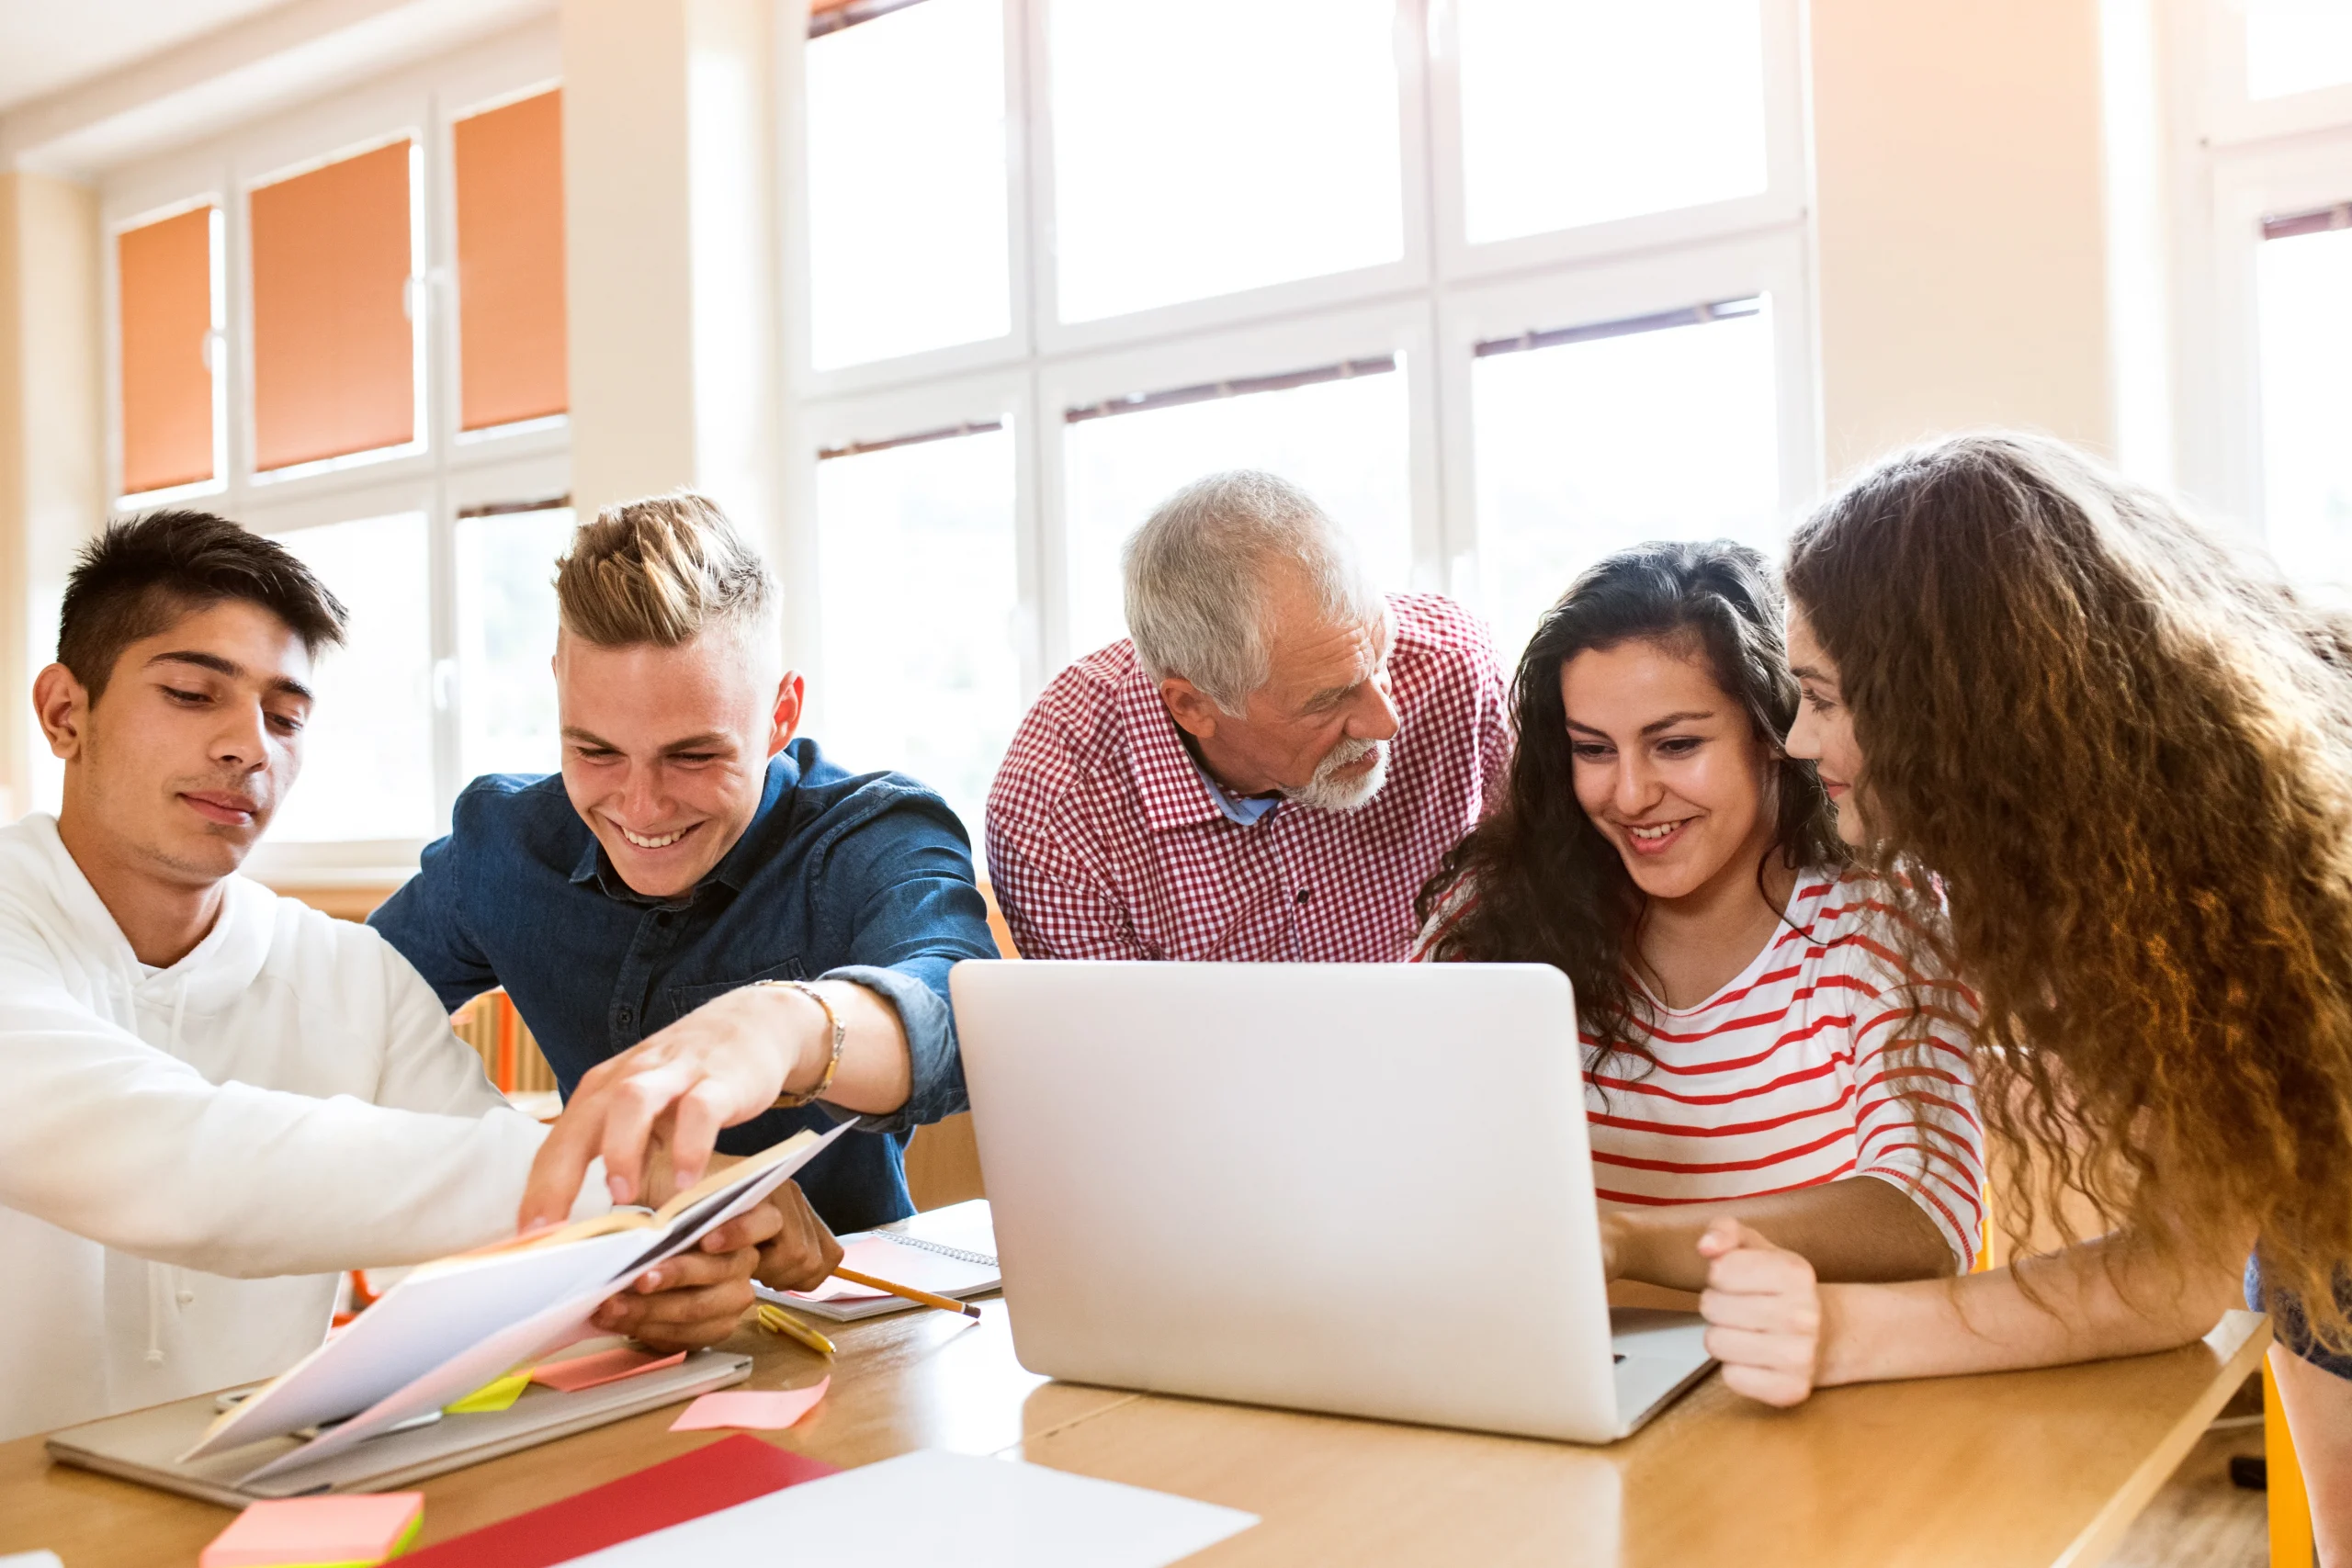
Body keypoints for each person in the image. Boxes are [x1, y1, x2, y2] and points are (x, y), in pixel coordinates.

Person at [1682, 434, 2352, 1560]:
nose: (1798, 739)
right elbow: (2184, 1269)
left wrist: (1843, 1326)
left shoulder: (2227, 890)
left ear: (1954, 706)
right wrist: (1835, 1326)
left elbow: (2174, 1280)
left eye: (1824, 698)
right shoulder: (2131, 879)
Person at [0, 513, 804, 1443]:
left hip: (250, 1500)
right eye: (191, 693)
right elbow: (181, 1164)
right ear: (65, 712)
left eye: (286, 715)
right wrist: (644, 1185)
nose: (248, 746)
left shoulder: (351, 976)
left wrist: (653, 1273)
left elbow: (531, 1245)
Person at [372, 492, 998, 1236]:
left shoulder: (871, 836)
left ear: (780, 714)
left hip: (851, 1315)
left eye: (694, 756)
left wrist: (785, 1027)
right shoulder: (502, 847)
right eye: (595, 750)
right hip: (592, 1312)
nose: (641, 808)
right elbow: (344, 1011)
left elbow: (963, 1020)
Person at [1414, 541, 1984, 1289]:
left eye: (1676, 744)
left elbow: (1927, 1216)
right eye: (1593, 749)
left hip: (1805, 1375)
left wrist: (1623, 1241)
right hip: (1556, 1373)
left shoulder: (1882, 914)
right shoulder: (1489, 912)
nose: (1629, 794)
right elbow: (1413, 1174)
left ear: (1774, 733)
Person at [985, 469, 1510, 963]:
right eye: (1326, 699)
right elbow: (1105, 1050)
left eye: (1381, 658)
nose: (1386, 722)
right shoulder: (1057, 812)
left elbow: (1545, 903)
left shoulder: (1453, 667)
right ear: (1192, 706)